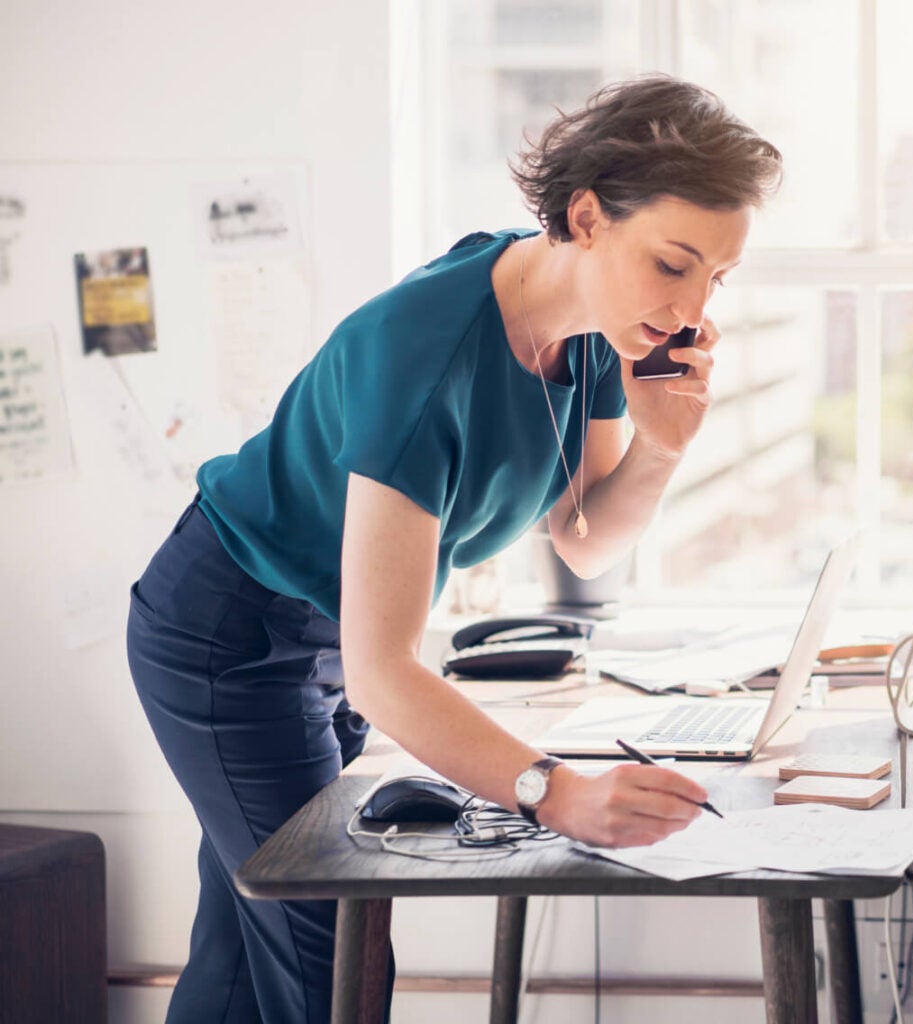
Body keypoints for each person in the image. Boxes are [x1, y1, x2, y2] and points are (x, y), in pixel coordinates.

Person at [126, 74, 782, 1024]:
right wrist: (557, 794)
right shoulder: (425, 355)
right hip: (231, 630)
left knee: (243, 957)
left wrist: (662, 448)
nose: (690, 311)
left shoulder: (598, 327)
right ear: (588, 216)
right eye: (674, 263)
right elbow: (383, 675)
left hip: (321, 635)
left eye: (717, 278)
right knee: (330, 960)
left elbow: (585, 540)